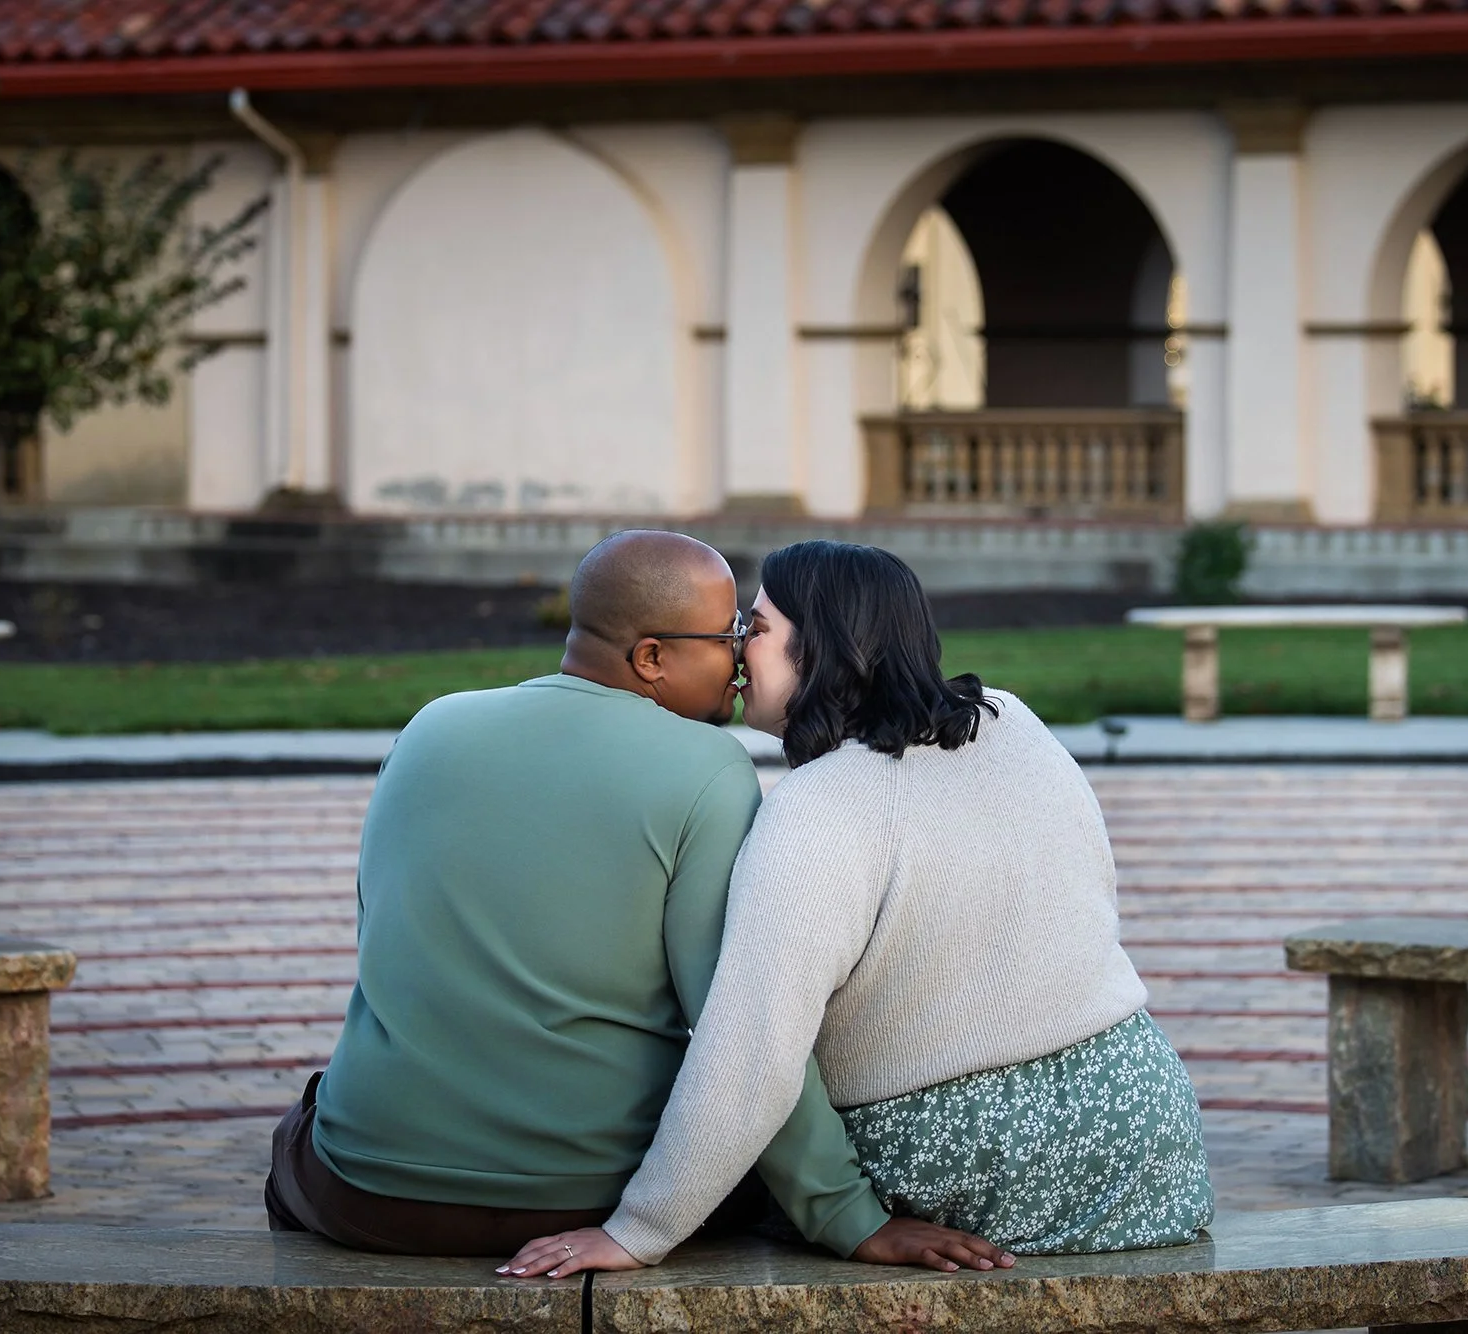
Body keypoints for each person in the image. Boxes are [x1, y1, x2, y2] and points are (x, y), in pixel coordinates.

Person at [265, 529, 1005, 1272]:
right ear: (651, 657)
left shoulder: (431, 727)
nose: (740, 660)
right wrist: (847, 1215)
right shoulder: (708, 769)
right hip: (590, 1196)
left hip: (367, 1192)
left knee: (304, 1121)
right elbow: (736, 1016)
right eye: (728, 636)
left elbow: (382, 938)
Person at [504, 539, 1214, 1279]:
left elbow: (752, 1054)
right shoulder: (1011, 723)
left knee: (739, 1175)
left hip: (974, 1155)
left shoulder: (817, 809)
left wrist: (639, 1230)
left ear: (822, 646)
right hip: (1148, 1129)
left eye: (757, 627)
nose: (738, 651)